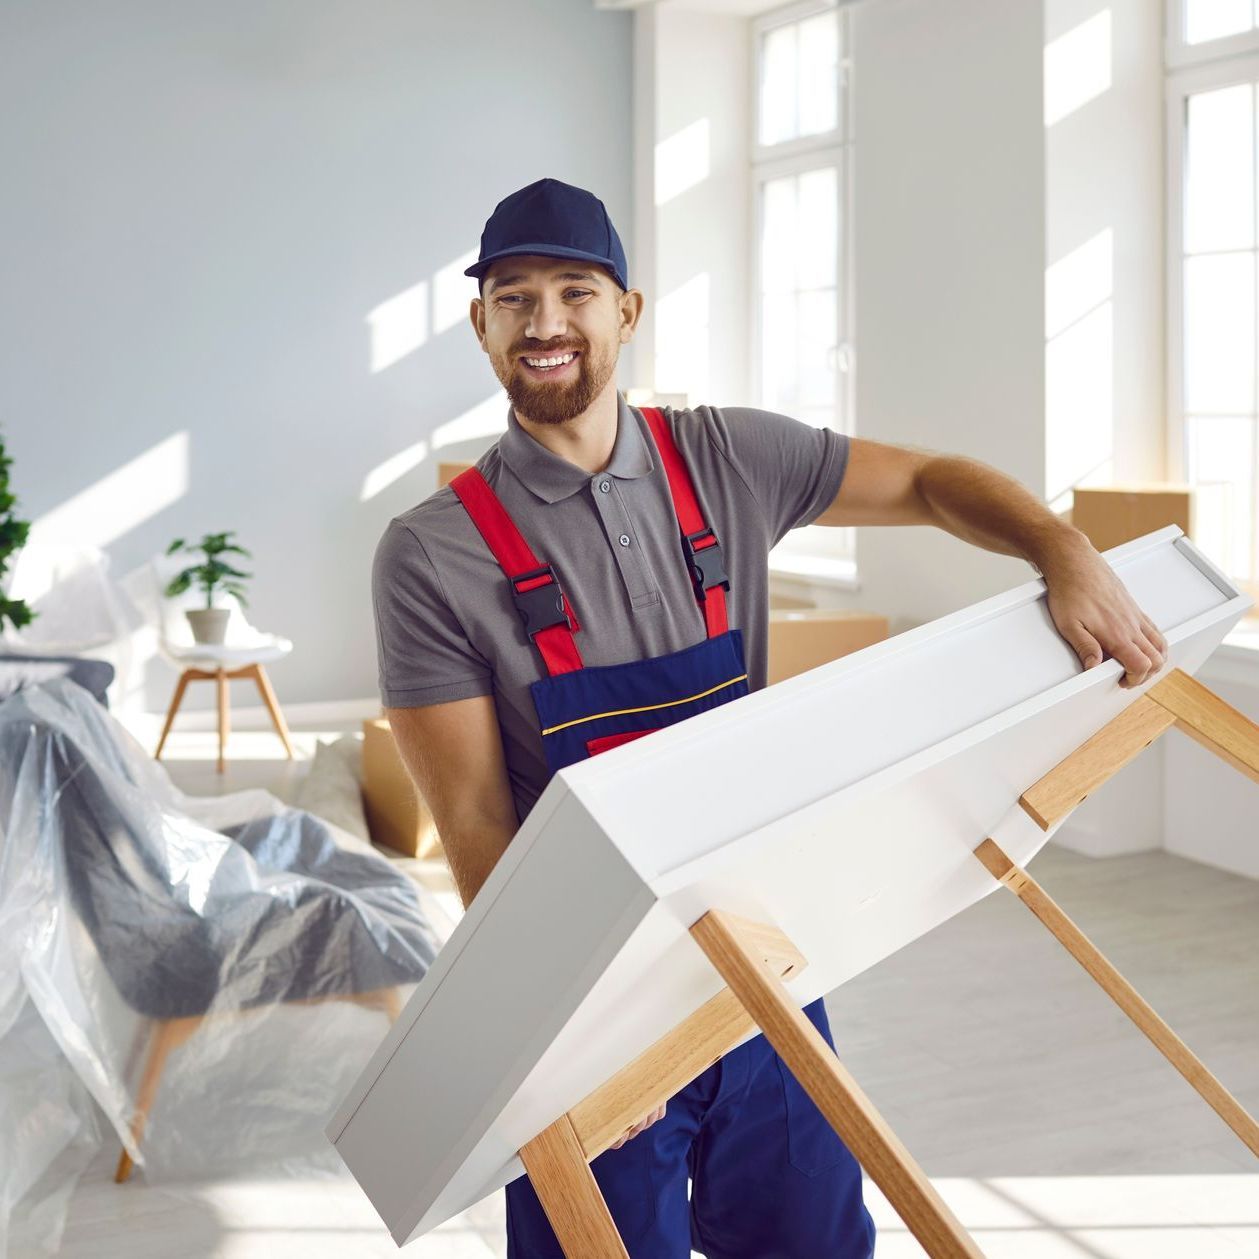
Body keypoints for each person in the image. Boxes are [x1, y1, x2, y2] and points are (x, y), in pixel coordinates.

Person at [371, 177, 1168, 1259]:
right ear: (480, 323)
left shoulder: (727, 458)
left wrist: (1059, 548)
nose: (544, 322)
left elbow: (930, 481)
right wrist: (565, 1037)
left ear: (627, 312)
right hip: (594, 992)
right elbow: (472, 820)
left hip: (764, 965)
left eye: (574, 291)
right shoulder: (430, 552)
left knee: (810, 1240)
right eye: (513, 298)